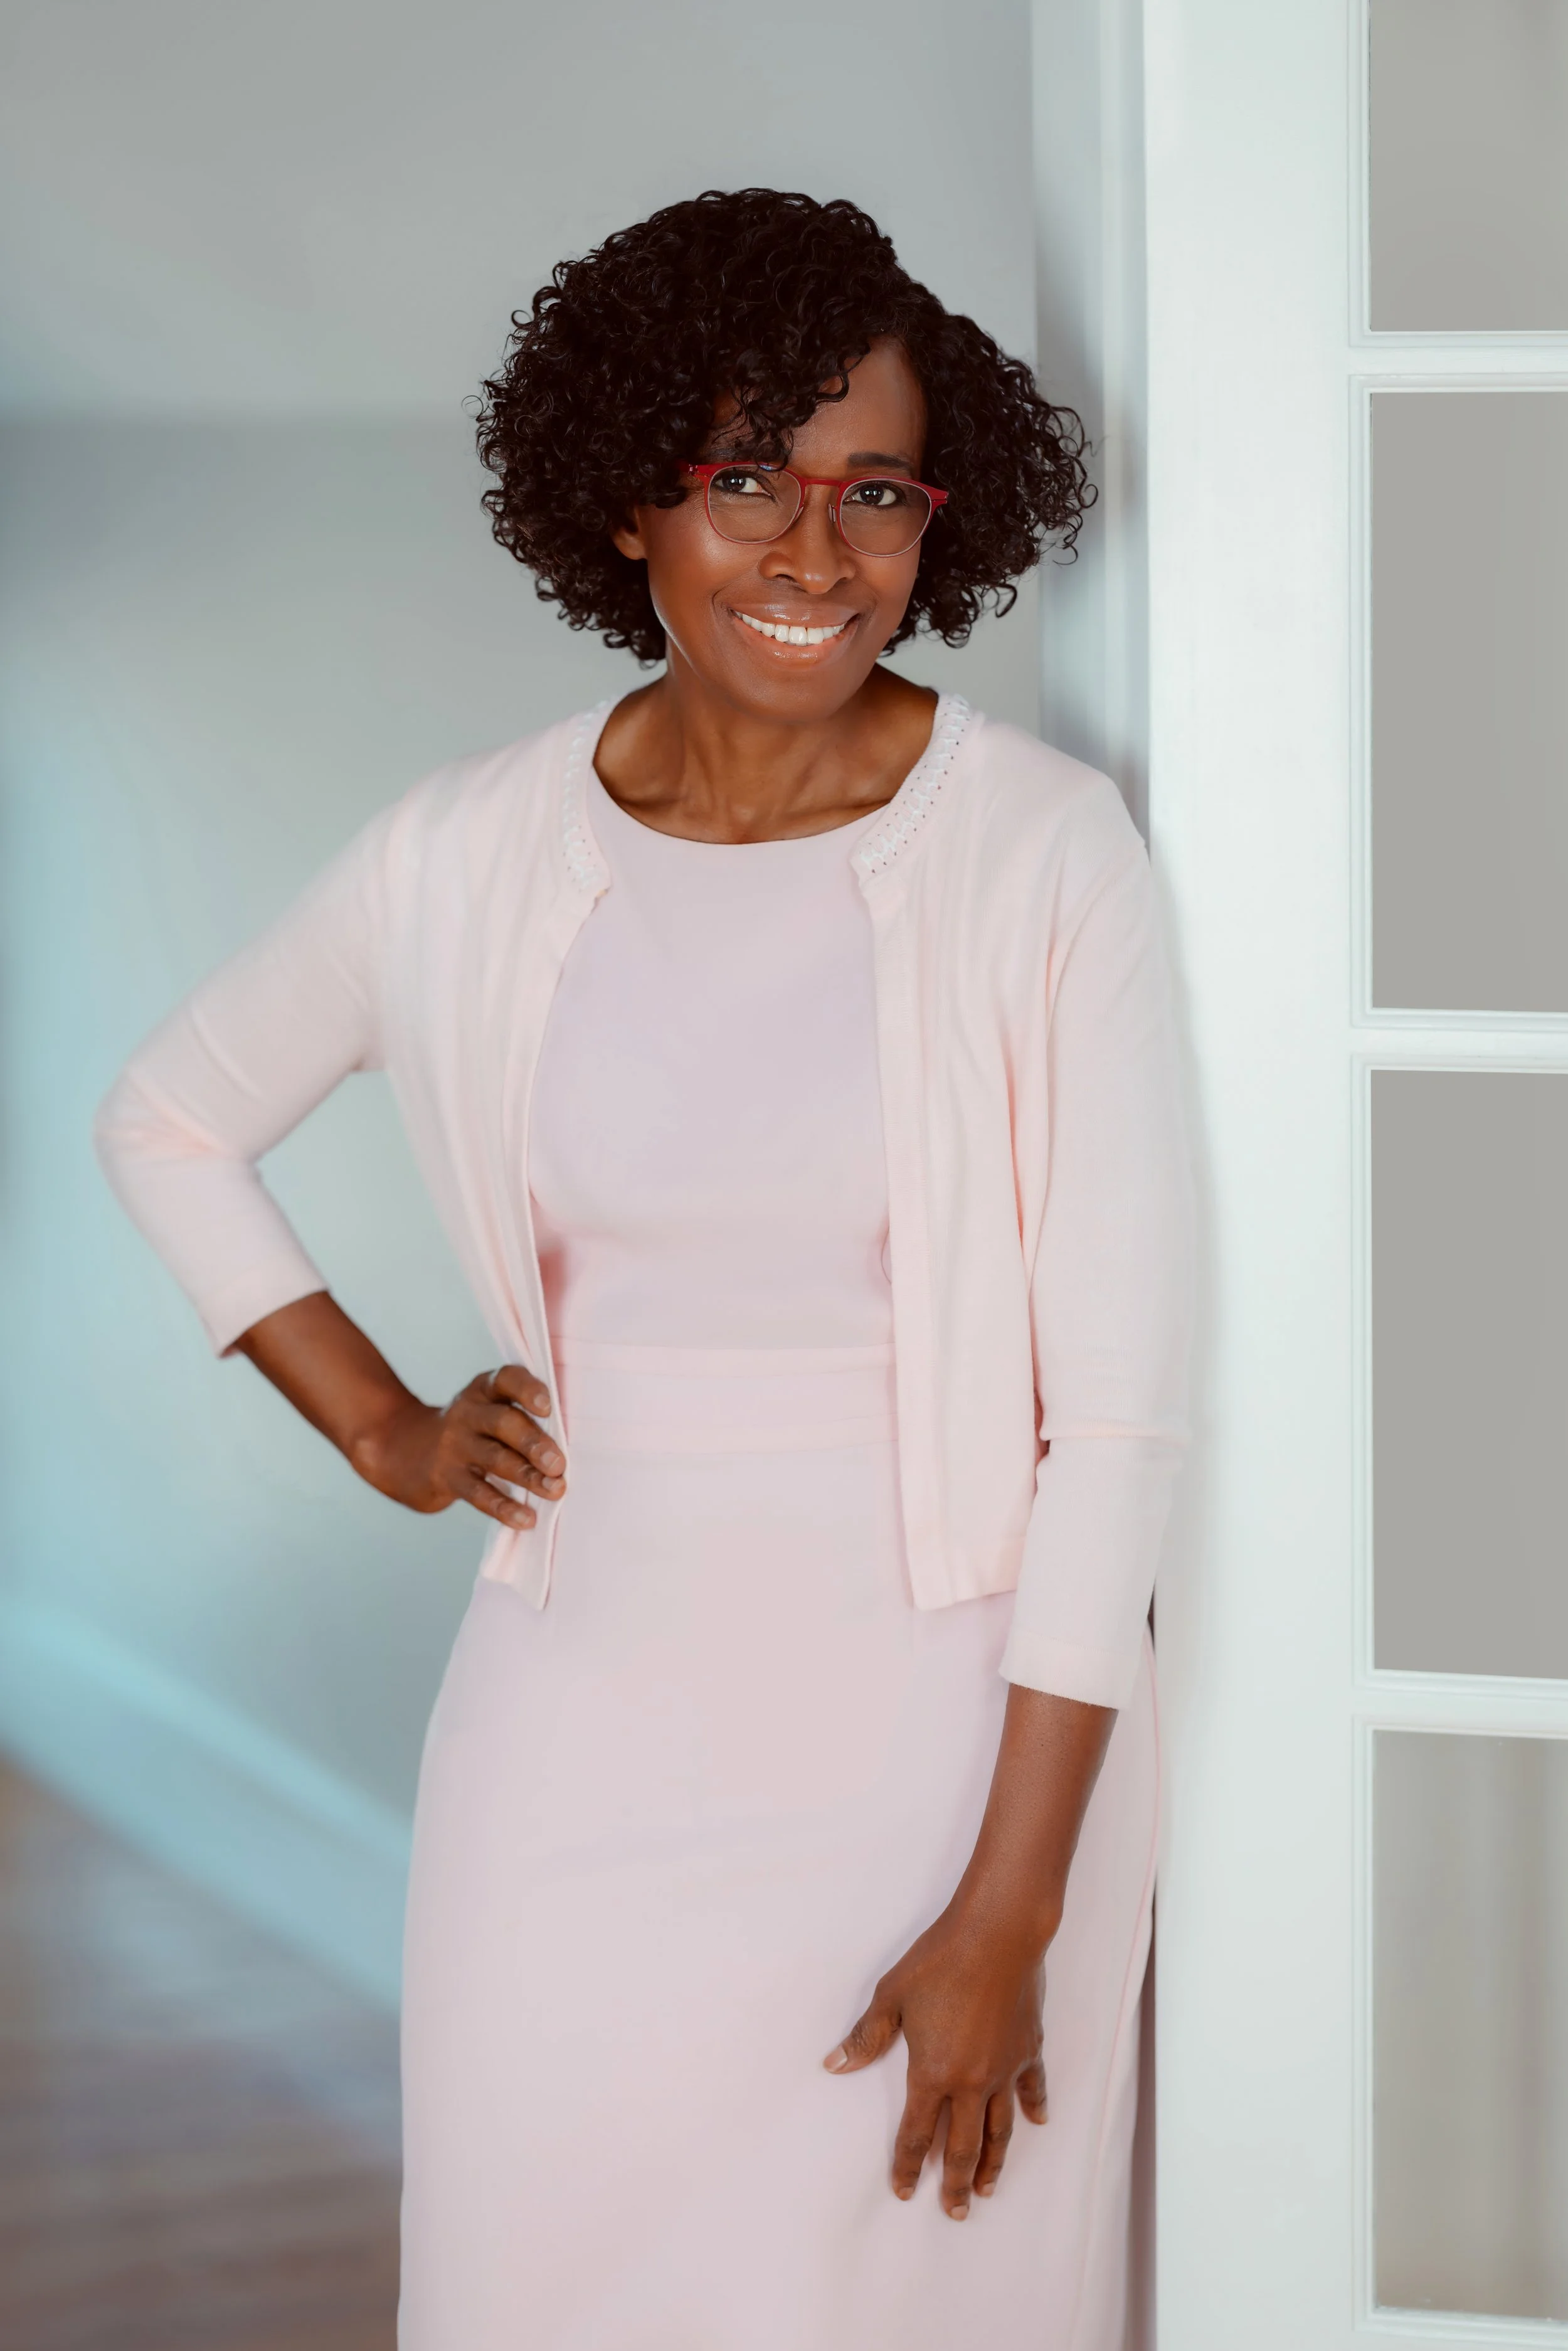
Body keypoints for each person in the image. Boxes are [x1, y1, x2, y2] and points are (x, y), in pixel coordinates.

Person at [95, 187, 1194, 2350]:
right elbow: (171, 1114)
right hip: (574, 1718)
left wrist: (1013, 1901)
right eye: (746, 484)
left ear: (933, 517)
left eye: (873, 490)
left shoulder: (1042, 853)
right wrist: (391, 1430)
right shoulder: (468, 847)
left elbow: (1121, 1419)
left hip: (945, 1737)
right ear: (624, 502)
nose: (814, 552)